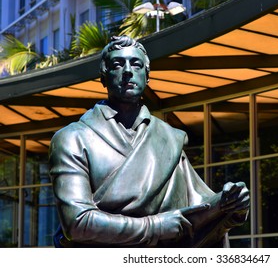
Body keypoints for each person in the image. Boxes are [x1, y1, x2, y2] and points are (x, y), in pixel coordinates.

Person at [49, 35, 249, 248]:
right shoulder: (72, 138)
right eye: (117, 64)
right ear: (103, 77)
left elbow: (197, 210)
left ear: (147, 75)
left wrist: (229, 204)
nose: (128, 71)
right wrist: (154, 226)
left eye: (136, 64)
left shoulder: (168, 138)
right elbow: (77, 223)